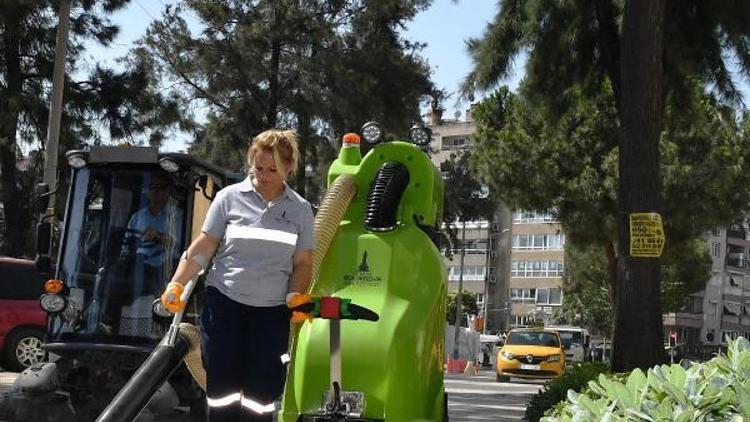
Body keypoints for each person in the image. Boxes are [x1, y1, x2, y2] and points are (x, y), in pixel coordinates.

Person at [161, 129, 314, 422]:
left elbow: (304, 263)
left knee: (261, 398)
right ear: (250, 162)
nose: (264, 176)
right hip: (225, 308)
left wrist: (296, 294)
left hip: (271, 316)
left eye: (274, 170)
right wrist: (177, 283)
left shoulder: (300, 210)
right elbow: (204, 246)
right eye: (259, 168)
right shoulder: (228, 199)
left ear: (290, 168)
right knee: (222, 393)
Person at [121, 172, 182, 296]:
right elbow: (125, 246)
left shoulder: (178, 216)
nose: (155, 191)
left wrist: (159, 237)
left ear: (168, 191)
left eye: (160, 187)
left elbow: (181, 246)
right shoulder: (137, 217)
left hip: (166, 269)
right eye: (152, 187)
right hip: (138, 267)